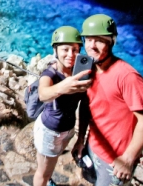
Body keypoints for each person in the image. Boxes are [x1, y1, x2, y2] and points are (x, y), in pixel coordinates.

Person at [79, 14, 143, 186]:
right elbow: (87, 105)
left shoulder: (127, 76)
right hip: (93, 145)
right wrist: (81, 140)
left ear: (111, 42)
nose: (92, 46)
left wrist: (128, 159)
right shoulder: (88, 67)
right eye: (88, 39)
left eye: (99, 40)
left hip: (116, 160)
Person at [33, 26, 93, 186]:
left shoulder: (81, 72)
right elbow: (43, 94)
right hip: (50, 132)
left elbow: (85, 105)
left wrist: (81, 138)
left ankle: (48, 176)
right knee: (42, 173)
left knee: (51, 163)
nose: (71, 55)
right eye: (65, 49)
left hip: (68, 130)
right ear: (56, 50)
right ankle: (45, 179)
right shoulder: (50, 74)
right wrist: (63, 87)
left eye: (75, 49)